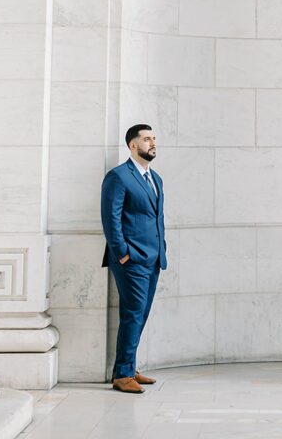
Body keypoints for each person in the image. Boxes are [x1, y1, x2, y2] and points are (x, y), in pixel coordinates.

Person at [101, 124, 167, 393]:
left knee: (140, 314)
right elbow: (111, 218)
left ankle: (127, 367)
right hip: (131, 259)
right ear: (132, 145)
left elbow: (156, 218)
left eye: (154, 138)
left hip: (153, 259)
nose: (152, 143)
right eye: (147, 139)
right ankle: (122, 375)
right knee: (133, 314)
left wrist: (162, 249)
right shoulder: (118, 177)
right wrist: (123, 254)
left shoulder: (156, 178)